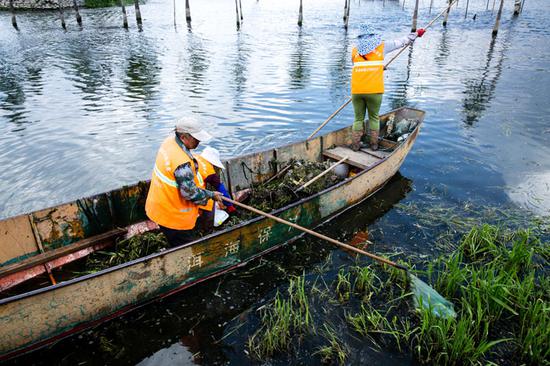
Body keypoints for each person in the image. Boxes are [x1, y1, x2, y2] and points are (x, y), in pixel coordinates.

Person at [145, 117, 224, 247]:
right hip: (173, 217)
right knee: (187, 250)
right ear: (183, 137)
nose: (199, 141)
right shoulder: (181, 162)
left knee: (175, 243)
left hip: (159, 206)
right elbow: (190, 193)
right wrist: (211, 195)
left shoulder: (169, 142)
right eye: (195, 138)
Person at [350, 25, 425, 151]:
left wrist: (380, 67)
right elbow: (402, 41)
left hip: (357, 91)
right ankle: (374, 145)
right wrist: (417, 33)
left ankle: (355, 146)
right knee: (374, 117)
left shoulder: (354, 51)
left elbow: (360, 67)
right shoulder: (382, 46)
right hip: (374, 91)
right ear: (374, 37)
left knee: (358, 119)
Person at [194, 146, 236, 232]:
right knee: (209, 205)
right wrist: (229, 205)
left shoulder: (195, 157)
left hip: (185, 190)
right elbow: (221, 190)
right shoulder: (209, 172)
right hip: (194, 193)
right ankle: (208, 231)